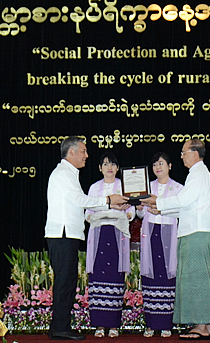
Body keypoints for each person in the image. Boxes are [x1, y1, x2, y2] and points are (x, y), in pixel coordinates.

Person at [45, 137, 129, 340]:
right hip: (62, 234)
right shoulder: (63, 173)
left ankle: (60, 325)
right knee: (65, 281)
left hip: (68, 235)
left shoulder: (69, 173)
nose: (86, 155)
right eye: (83, 151)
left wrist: (108, 203)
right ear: (71, 152)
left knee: (67, 280)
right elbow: (80, 200)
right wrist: (108, 201)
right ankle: (60, 328)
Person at [141, 139, 210, 340]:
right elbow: (185, 206)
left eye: (184, 152)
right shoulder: (198, 174)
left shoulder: (198, 174)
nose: (182, 156)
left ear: (194, 153)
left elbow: (184, 200)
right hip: (197, 230)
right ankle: (209, 326)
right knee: (198, 277)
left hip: (196, 232)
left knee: (196, 279)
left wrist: (159, 202)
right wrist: (159, 208)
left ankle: (201, 325)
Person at [85, 152, 135, 338]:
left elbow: (132, 212)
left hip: (117, 235)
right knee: (98, 275)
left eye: (113, 164)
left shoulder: (124, 186)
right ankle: (99, 325)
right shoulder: (93, 188)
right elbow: (88, 214)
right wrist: (108, 209)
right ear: (99, 168)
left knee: (115, 276)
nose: (109, 167)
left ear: (117, 167)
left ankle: (114, 324)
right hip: (99, 235)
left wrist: (124, 213)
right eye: (105, 164)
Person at [137, 152, 183, 338]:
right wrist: (139, 208)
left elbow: (181, 211)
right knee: (151, 275)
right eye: (155, 164)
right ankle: (150, 324)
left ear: (170, 166)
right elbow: (140, 215)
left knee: (165, 276)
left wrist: (162, 206)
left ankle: (166, 324)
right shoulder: (147, 187)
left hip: (169, 233)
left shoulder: (179, 188)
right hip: (150, 233)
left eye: (162, 163)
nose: (158, 167)